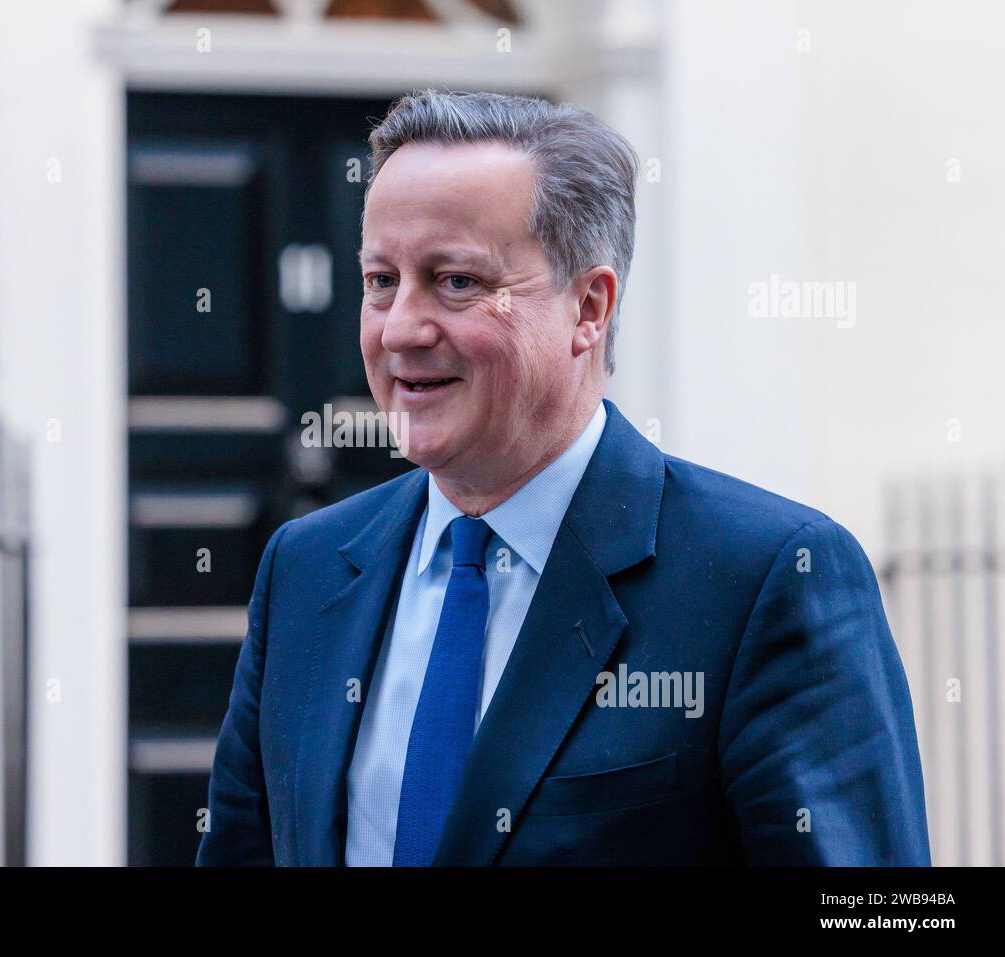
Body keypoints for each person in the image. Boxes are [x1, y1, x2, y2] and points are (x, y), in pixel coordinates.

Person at [195, 89, 930, 866]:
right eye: (382, 280)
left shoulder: (769, 579)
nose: (401, 328)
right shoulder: (306, 569)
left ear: (589, 305)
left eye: (456, 281)